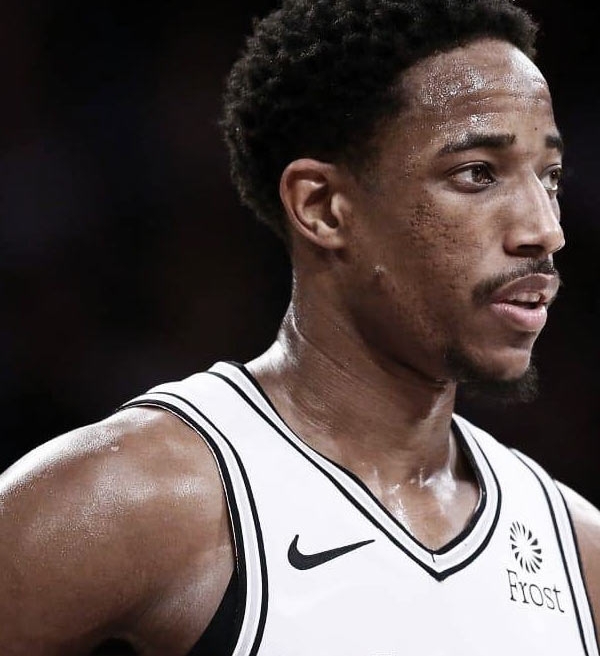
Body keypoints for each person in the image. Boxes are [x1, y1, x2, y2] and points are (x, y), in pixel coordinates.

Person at [1, 0, 598, 653]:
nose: (545, 230)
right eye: (478, 173)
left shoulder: (577, 551)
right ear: (323, 207)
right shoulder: (134, 497)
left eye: (550, 177)